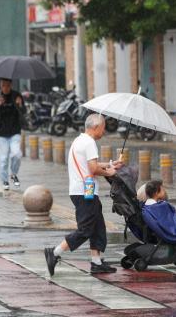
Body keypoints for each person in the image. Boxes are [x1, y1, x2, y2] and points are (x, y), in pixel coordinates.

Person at [44, 114, 121, 276]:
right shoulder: (90, 143)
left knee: (98, 226)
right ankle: (55, 252)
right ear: (96, 127)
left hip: (81, 190)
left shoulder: (79, 140)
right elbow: (93, 169)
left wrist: (109, 165)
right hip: (85, 192)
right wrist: (111, 172)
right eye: (103, 127)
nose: (104, 131)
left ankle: (96, 263)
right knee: (86, 229)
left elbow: (89, 165)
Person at [0, 78, 26, 190]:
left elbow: (24, 111)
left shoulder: (16, 95)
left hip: (15, 131)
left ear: (11, 85)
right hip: (1, 133)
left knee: (17, 154)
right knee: (3, 159)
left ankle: (13, 174)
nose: (5, 87)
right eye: (3, 85)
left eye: (7, 85)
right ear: (0, 86)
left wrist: (20, 105)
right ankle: (5, 180)